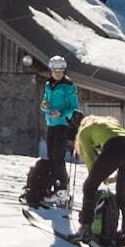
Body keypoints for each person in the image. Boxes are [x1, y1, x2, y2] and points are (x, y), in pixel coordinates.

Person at [74, 114, 125, 247]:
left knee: (89, 187)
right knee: (122, 194)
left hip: (115, 148)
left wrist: (94, 178)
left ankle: (85, 228)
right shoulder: (110, 126)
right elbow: (122, 152)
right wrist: (111, 176)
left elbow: (89, 158)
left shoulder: (85, 131)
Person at [41, 56, 80, 198]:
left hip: (63, 125)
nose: (57, 73)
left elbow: (74, 107)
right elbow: (45, 101)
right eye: (55, 70)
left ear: (64, 71)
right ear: (50, 71)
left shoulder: (69, 86)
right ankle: (52, 187)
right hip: (51, 124)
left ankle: (62, 188)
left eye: (60, 71)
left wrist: (61, 113)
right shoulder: (48, 85)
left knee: (58, 158)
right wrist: (44, 106)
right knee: (51, 157)